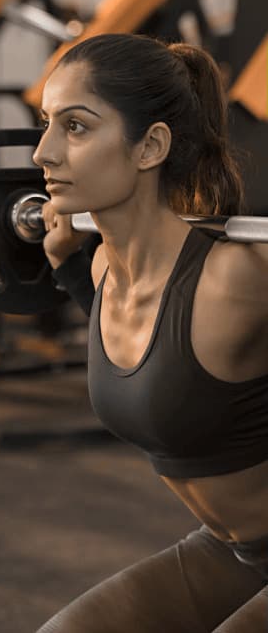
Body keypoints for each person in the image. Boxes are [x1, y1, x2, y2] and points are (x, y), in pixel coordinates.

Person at [32, 33, 268, 632]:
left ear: (150, 147)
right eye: (46, 123)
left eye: (76, 127)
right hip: (231, 552)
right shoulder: (100, 267)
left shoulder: (234, 278)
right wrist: (62, 267)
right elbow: (161, 362)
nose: (43, 152)